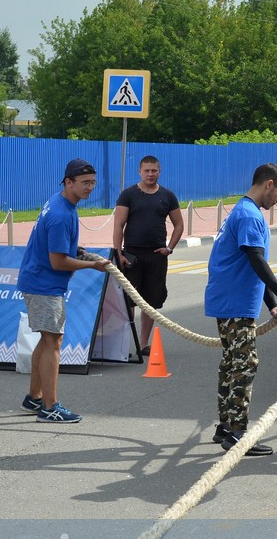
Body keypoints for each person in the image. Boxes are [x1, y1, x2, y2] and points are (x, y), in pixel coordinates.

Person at [204, 163, 277, 457]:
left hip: (230, 298)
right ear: (268, 184)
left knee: (231, 362)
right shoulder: (249, 215)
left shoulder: (242, 210)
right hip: (235, 301)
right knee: (245, 364)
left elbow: (250, 264)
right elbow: (256, 259)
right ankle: (237, 434)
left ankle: (225, 426)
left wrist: (272, 305)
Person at [16, 159, 109, 424]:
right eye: (85, 183)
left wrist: (77, 252)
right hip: (44, 284)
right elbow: (58, 261)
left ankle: (34, 397)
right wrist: (93, 265)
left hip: (39, 281)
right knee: (53, 342)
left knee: (47, 341)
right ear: (68, 182)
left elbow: (59, 250)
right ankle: (49, 406)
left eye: (93, 182)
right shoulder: (60, 215)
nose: (90, 187)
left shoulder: (62, 203)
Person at [113, 156, 183, 355]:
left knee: (151, 302)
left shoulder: (167, 196)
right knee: (128, 301)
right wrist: (119, 253)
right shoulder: (128, 194)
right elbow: (119, 225)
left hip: (157, 256)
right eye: (147, 171)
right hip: (131, 256)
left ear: (159, 171)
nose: (150, 174)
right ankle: (124, 345)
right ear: (139, 172)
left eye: (154, 170)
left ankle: (143, 344)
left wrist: (169, 248)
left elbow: (179, 224)